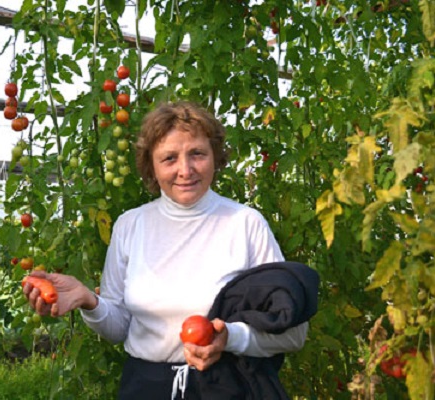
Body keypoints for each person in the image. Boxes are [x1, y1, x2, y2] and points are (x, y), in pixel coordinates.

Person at [23, 101, 316, 399]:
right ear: (151, 165)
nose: (185, 170)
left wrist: (230, 337)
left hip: (225, 387)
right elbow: (120, 328)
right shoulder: (130, 226)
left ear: (215, 155)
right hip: (144, 388)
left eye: (197, 154)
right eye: (169, 158)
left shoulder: (244, 224)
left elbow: (293, 332)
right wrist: (90, 301)